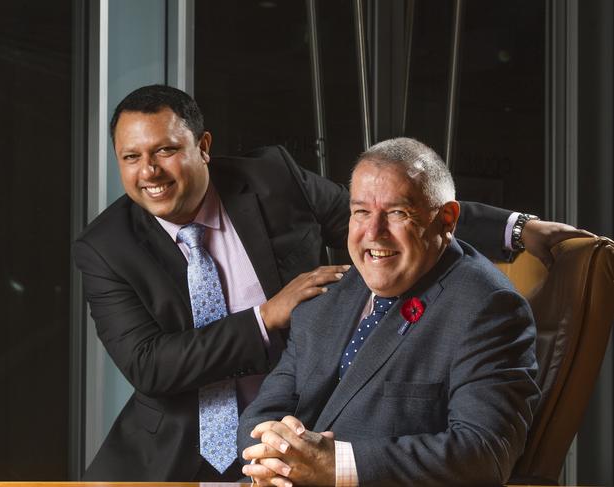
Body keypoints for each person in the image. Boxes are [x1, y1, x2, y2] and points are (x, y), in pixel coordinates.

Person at [73, 84, 586, 481]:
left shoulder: (271, 180)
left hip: (316, 448)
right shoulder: (105, 246)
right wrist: (266, 317)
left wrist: (514, 228)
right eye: (131, 157)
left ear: (203, 146)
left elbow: (383, 212)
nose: (149, 172)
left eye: (164, 151)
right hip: (175, 454)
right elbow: (149, 365)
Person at [238, 138, 541, 486]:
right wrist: (275, 452)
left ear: (446, 219)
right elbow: (262, 413)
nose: (373, 233)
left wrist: (338, 467)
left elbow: (486, 453)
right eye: (361, 212)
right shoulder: (330, 295)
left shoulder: (488, 308)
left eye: (397, 213)